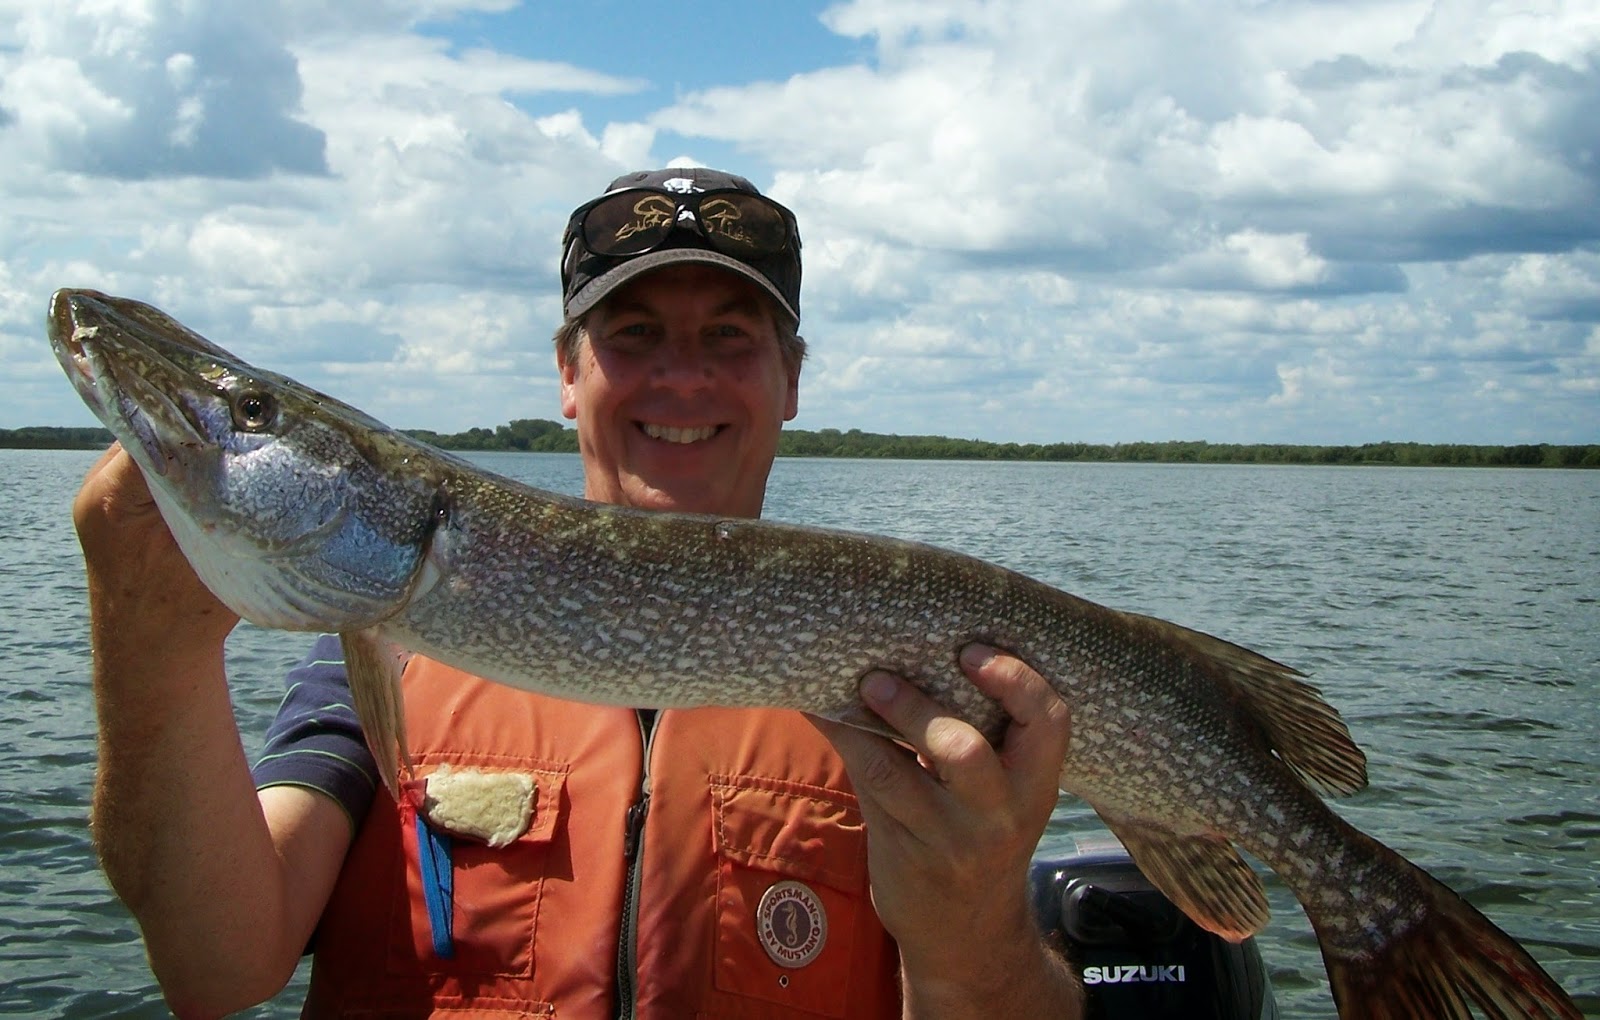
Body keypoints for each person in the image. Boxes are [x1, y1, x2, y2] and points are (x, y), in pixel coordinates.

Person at [73, 167, 1082, 1018]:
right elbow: (216, 968)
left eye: (729, 337)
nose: (679, 379)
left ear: (792, 380)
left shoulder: (909, 693)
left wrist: (978, 928)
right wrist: (147, 644)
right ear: (567, 374)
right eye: (632, 335)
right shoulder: (382, 658)